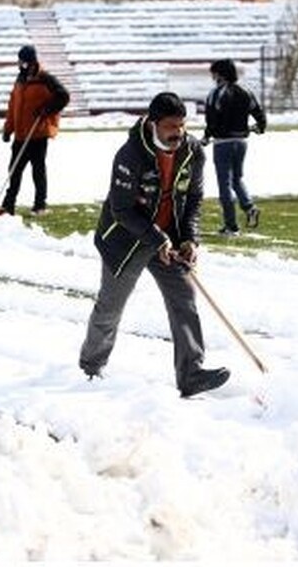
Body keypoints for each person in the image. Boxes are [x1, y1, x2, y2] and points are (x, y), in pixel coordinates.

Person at [79, 92, 231, 399]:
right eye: (171, 126)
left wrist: (189, 238)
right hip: (124, 241)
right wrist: (156, 237)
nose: (178, 133)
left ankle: (191, 373)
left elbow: (193, 199)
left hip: (168, 241)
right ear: (152, 124)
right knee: (111, 307)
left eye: (182, 125)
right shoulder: (130, 155)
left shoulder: (192, 152)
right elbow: (121, 209)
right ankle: (90, 368)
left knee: (185, 300)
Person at [1, 45, 69, 215]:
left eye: (24, 62)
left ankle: (40, 205)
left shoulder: (45, 79)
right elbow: (13, 106)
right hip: (21, 133)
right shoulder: (20, 80)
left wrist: (47, 110)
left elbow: (63, 96)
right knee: (14, 169)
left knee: (38, 169)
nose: (21, 65)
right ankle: (8, 204)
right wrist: (8, 129)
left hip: (38, 132)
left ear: (32, 62)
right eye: (20, 62)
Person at [202, 58, 267, 235]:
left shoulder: (216, 94)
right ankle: (249, 207)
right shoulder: (246, 91)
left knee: (224, 184)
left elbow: (212, 120)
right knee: (237, 179)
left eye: (214, 73)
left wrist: (206, 137)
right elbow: (259, 115)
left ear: (220, 74)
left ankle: (231, 225)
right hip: (241, 142)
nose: (213, 76)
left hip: (223, 143)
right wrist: (257, 128)